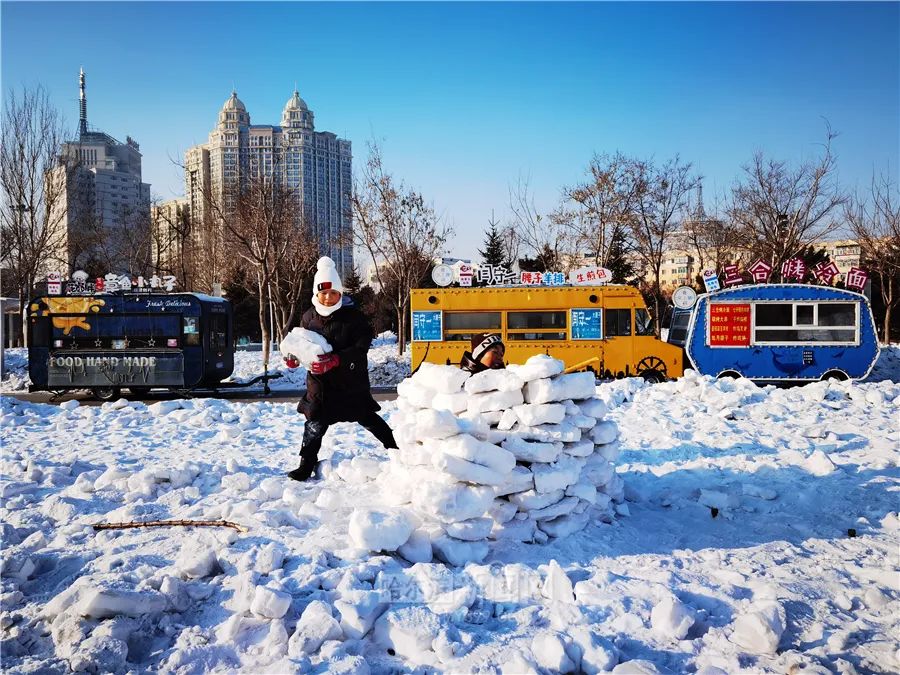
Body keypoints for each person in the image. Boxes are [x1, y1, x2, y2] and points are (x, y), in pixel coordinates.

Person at [287, 257, 397, 482]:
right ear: (316, 294)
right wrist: (294, 358)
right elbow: (300, 342)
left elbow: (361, 346)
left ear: (340, 293)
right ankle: (305, 464)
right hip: (320, 383)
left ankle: (397, 450)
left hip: (349, 381)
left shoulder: (353, 317)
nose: (328, 298)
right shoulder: (308, 317)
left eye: (333, 293)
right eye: (323, 293)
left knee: (367, 417)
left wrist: (336, 360)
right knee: (315, 423)